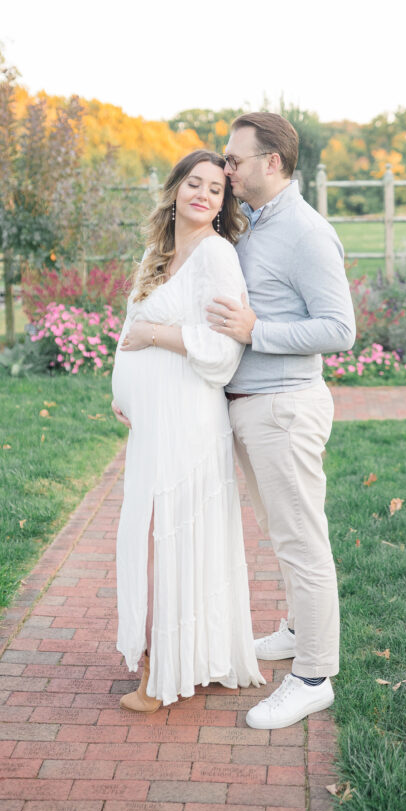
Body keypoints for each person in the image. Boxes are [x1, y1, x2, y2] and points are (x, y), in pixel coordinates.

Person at [207, 112, 356, 730]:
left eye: (235, 159)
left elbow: (339, 329)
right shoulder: (255, 224)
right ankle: (298, 631)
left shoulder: (304, 231)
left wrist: (255, 332)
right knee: (282, 535)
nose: (226, 168)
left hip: (285, 408)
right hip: (252, 409)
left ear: (274, 162)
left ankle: (314, 676)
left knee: (302, 543)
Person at [111, 149, 264, 710]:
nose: (203, 194)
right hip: (152, 421)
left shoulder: (217, 255)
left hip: (190, 417)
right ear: (175, 188)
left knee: (171, 532)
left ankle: (164, 671)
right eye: (193, 183)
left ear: (223, 203)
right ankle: (179, 652)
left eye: (215, 190)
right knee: (149, 533)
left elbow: (224, 350)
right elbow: (130, 326)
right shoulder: (156, 253)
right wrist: (122, 392)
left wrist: (155, 337)